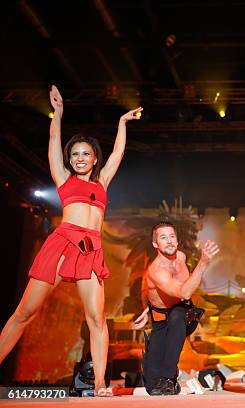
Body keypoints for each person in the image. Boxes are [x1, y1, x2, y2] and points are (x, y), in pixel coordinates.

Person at [0, 86, 142, 396]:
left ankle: (102, 384)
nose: (79, 158)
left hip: (91, 249)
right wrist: (59, 113)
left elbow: (118, 153)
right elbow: (53, 141)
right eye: (74, 154)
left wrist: (121, 123)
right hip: (63, 242)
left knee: (96, 318)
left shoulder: (102, 181)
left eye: (85, 154)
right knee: (25, 312)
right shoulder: (63, 179)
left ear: (94, 159)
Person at [135, 221, 219, 395]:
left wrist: (202, 264)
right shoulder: (156, 270)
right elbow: (169, 289)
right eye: (163, 238)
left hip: (184, 316)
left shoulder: (181, 257)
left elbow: (184, 293)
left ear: (177, 240)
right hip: (161, 324)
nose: (169, 241)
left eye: (172, 236)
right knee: (153, 387)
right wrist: (151, 307)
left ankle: (168, 378)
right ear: (155, 244)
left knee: (176, 314)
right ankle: (172, 375)